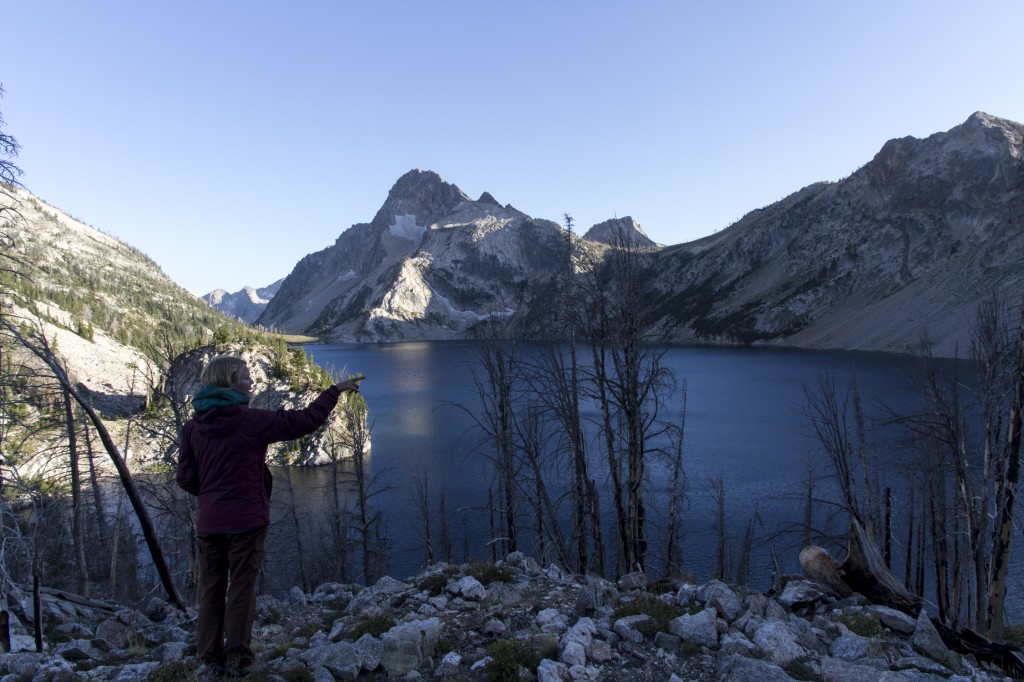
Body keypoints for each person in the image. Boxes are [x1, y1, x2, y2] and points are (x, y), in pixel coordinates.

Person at [176, 354, 363, 677]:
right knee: (242, 588)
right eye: (247, 376)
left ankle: (208, 656)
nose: (252, 381)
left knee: (211, 588)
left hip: (209, 522)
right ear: (232, 380)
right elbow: (304, 421)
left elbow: (186, 479)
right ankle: (238, 657)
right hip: (247, 520)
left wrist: (213, 496)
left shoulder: (193, 427)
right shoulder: (251, 421)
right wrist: (334, 391)